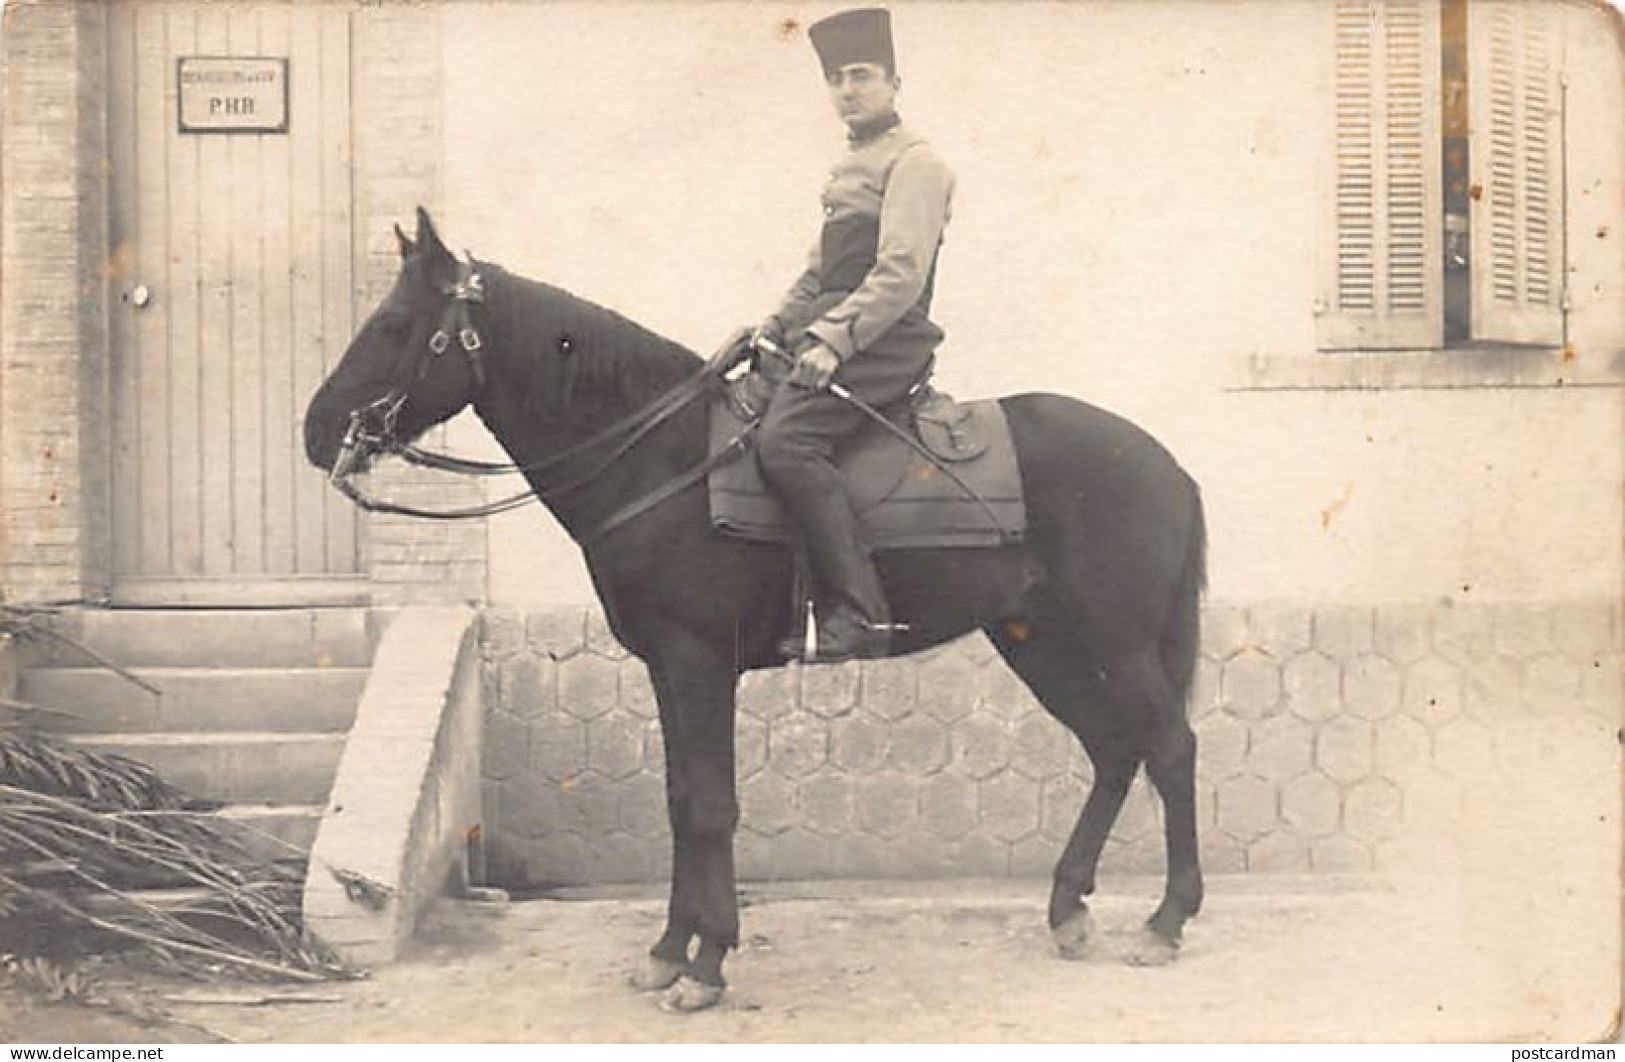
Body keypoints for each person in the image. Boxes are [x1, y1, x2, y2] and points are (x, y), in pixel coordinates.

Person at [754, 6, 955, 664]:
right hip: (837, 325)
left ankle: (859, 612)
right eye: (836, 78)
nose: (848, 89)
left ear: (894, 82)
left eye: (862, 75)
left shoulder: (916, 163)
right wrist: (774, 327)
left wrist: (833, 342)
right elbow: (818, 273)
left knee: (786, 442)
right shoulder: (848, 167)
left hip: (886, 334)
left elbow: (898, 275)